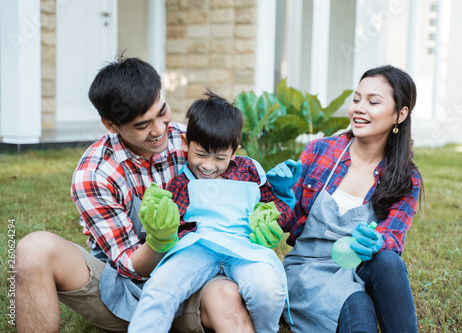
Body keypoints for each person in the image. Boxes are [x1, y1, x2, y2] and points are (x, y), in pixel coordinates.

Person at [14, 57, 256, 333]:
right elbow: (131, 265)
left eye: (162, 112)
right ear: (111, 125)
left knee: (227, 297)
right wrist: (160, 240)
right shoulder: (96, 174)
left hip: (194, 281)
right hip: (120, 289)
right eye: (142, 125)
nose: (159, 130)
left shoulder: (190, 142)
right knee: (33, 249)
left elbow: (234, 183)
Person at [128, 90, 301, 333]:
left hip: (245, 248)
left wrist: (275, 209)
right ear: (187, 144)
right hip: (197, 247)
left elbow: (278, 210)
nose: (208, 166)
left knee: (267, 289)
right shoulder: (181, 183)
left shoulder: (250, 171)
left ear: (235, 150)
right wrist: (161, 226)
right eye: (200, 154)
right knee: (161, 286)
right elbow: (172, 226)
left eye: (220, 157)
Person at [282, 65, 423, 333]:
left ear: (400, 114)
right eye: (357, 99)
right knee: (358, 307)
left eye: (373, 102)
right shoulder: (319, 152)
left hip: (360, 268)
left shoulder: (406, 177)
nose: (359, 108)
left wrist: (378, 240)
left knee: (388, 261)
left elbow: (393, 237)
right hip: (310, 269)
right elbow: (289, 219)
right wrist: (278, 195)